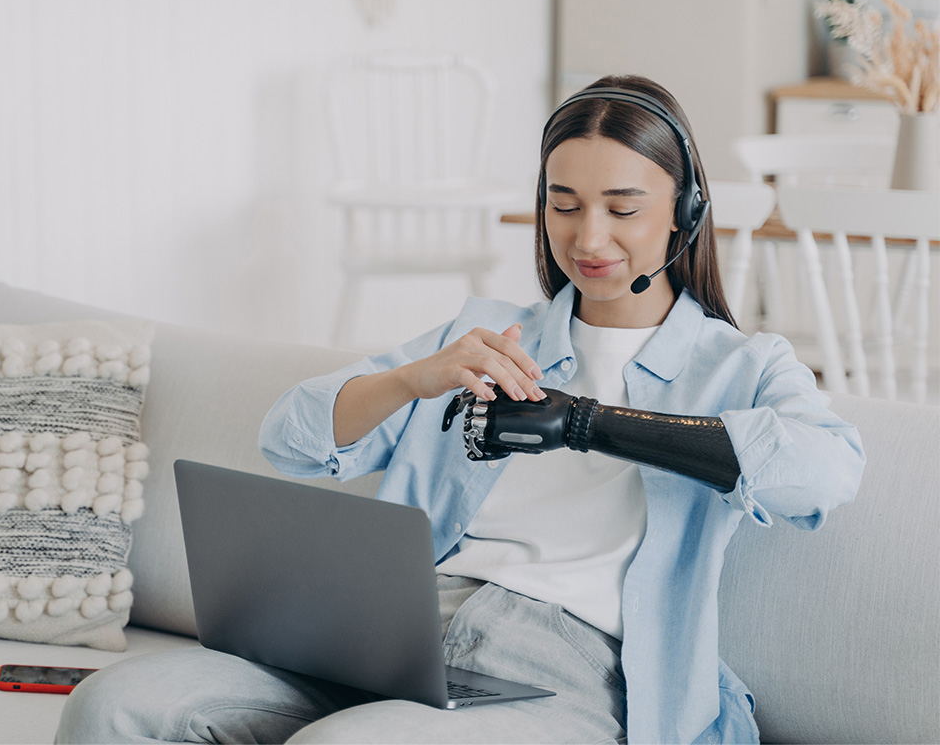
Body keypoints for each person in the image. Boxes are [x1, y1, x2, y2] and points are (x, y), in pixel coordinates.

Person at [54, 75, 864, 744]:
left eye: (623, 208)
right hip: (399, 633)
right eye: (563, 203)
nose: (588, 236)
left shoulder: (742, 366)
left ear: (685, 213)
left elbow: (825, 471)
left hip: (573, 666)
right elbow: (289, 440)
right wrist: (415, 378)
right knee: (113, 707)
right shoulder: (479, 335)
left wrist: (583, 422)